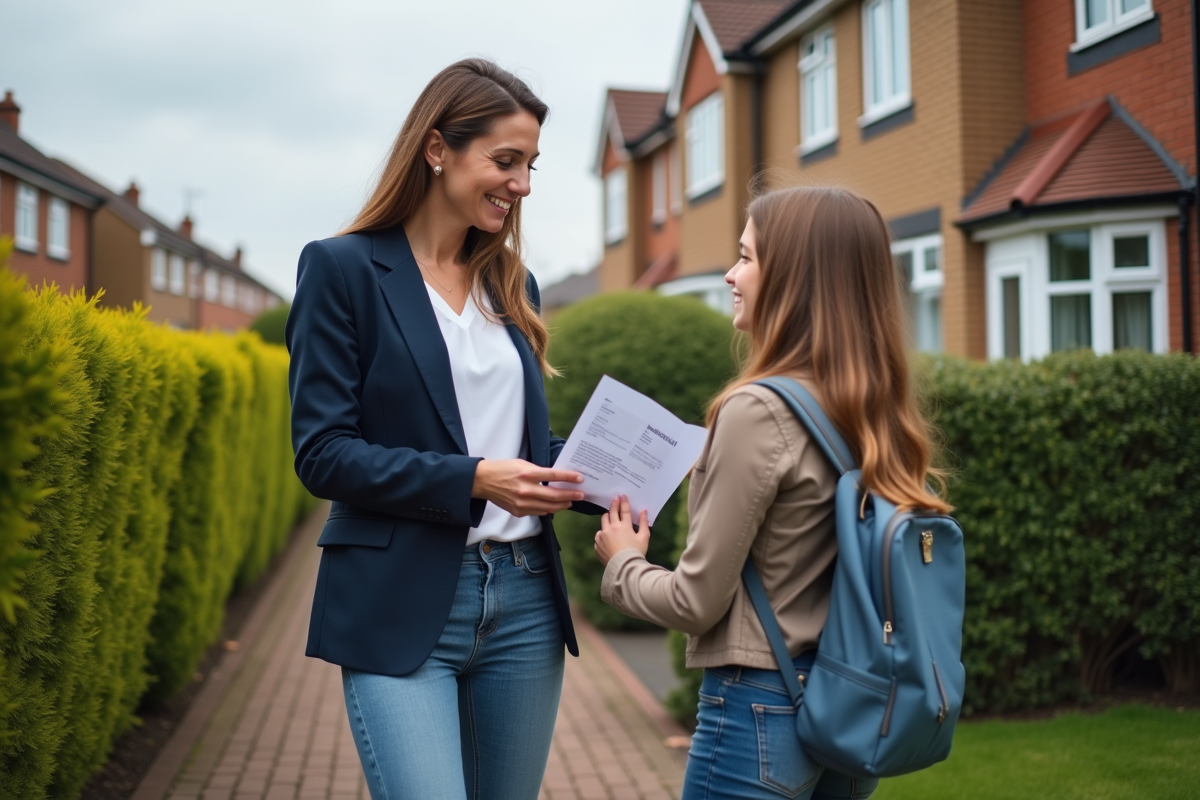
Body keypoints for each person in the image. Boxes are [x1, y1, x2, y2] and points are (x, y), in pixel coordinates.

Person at [286, 58, 594, 800]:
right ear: (436, 150)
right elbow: (324, 454)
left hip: (523, 604)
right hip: (401, 598)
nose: (521, 184)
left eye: (531, 166)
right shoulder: (342, 271)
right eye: (505, 161)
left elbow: (517, 449)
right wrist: (474, 480)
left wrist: (612, 471)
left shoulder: (513, 283)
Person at [593, 186, 952, 800]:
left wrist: (623, 560)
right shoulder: (871, 407)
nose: (731, 274)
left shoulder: (757, 410)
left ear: (794, 278)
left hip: (759, 706)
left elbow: (695, 602)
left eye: (747, 257)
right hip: (847, 702)